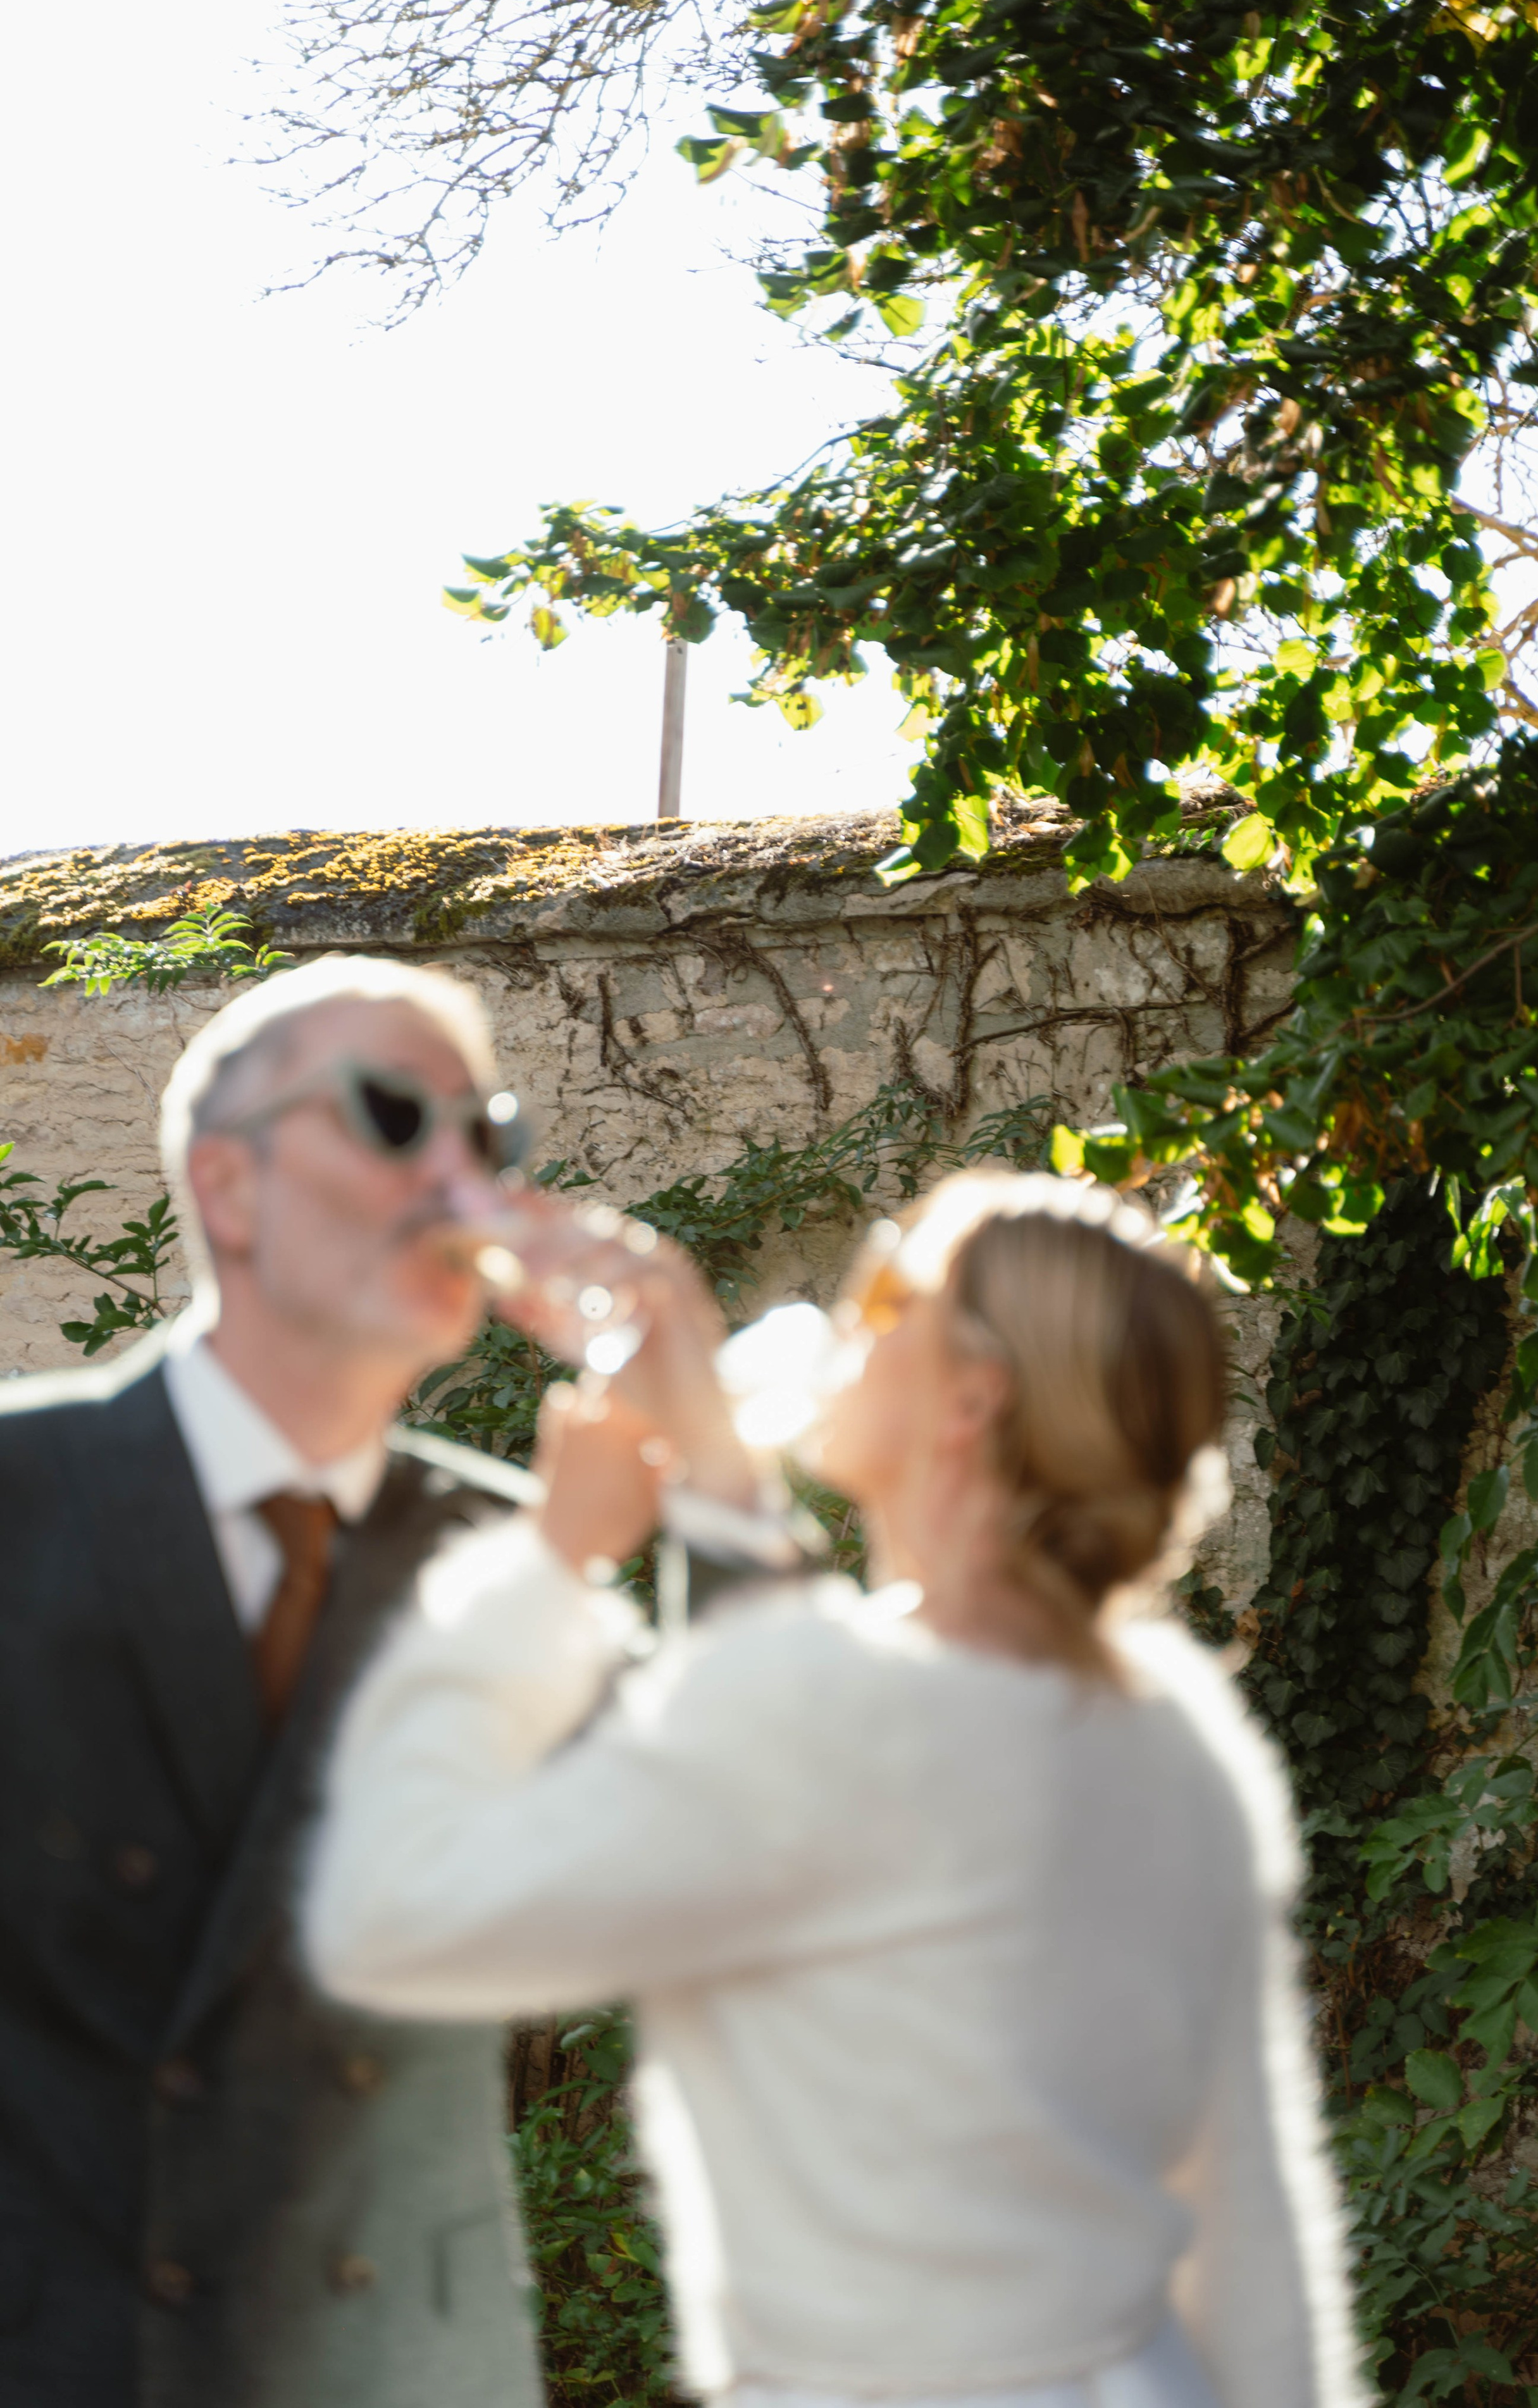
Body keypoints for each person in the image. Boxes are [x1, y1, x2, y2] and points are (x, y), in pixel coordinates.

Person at [304, 1167, 1367, 2408]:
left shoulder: (821, 1713)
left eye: (885, 1295)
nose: (844, 1319)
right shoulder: (1170, 1728)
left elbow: (385, 1916)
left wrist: (550, 1560)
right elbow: (1247, 2221)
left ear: (972, 1396)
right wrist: (706, 1451)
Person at [0, 952, 564, 2408]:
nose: (458, 1179)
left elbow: (727, 1876)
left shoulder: (512, 1553)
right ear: (230, 1190)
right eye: (392, 1116)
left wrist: (704, 1481)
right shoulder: (18, 1495)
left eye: (484, 1133)